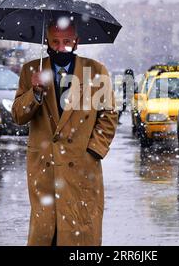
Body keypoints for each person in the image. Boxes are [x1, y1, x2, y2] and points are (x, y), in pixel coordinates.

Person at [12, 19, 118, 246]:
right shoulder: (31, 70)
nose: (62, 48)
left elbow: (109, 116)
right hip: (45, 168)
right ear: (47, 42)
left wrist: (92, 152)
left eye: (67, 41)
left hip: (81, 169)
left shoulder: (96, 71)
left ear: (77, 42)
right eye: (56, 42)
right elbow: (18, 116)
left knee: (79, 232)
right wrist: (35, 93)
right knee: (45, 231)